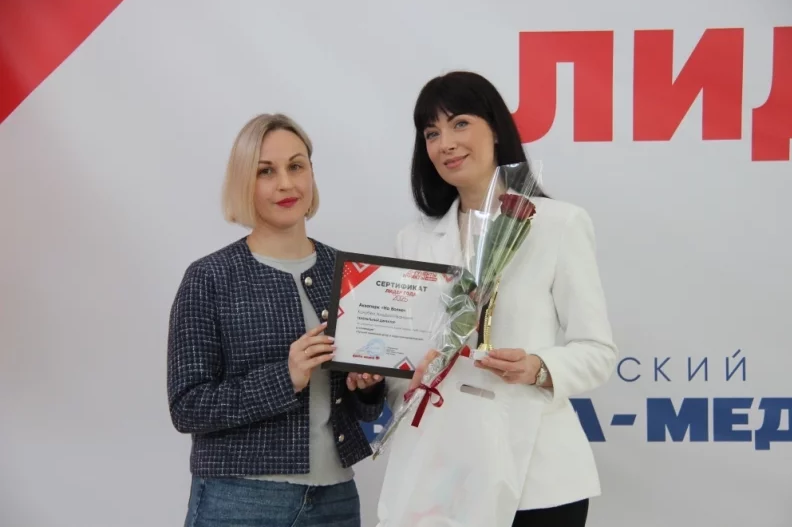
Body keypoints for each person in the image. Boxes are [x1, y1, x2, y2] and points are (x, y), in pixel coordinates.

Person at [383, 71, 618, 527]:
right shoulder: (412, 241)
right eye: (432, 133)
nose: (446, 144)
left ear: (495, 129)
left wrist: (538, 367)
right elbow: (407, 362)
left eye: (460, 124)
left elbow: (598, 351)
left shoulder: (558, 224)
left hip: (538, 477)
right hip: (444, 476)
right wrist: (393, 377)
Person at [166, 113, 386, 527]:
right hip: (240, 499)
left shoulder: (347, 274)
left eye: (296, 166)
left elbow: (363, 411)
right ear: (243, 183)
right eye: (266, 171)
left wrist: (368, 386)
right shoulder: (210, 277)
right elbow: (187, 406)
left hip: (337, 498)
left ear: (311, 174)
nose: (286, 183)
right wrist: (285, 378)